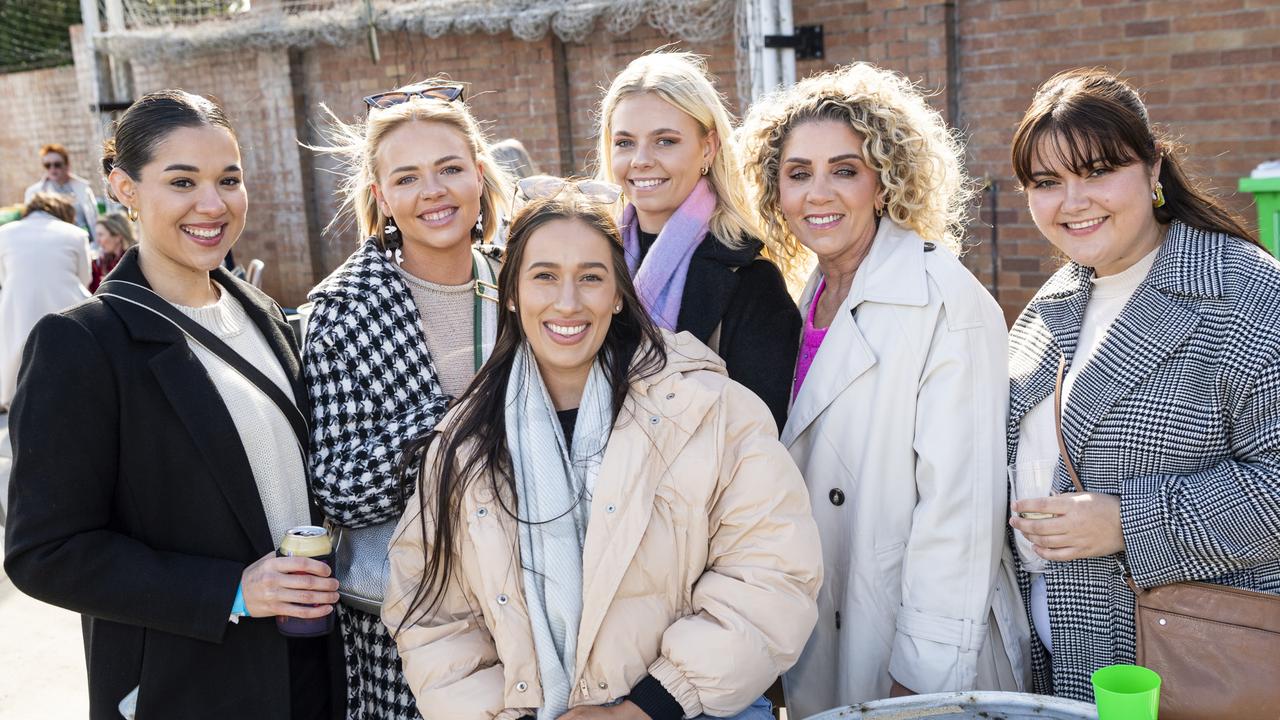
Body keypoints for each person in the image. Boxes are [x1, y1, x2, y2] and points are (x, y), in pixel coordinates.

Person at [382, 186, 821, 720]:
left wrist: (643, 708)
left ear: (618, 293)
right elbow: (432, 618)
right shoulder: (464, 443)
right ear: (512, 293)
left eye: (591, 277)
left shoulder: (712, 412)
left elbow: (772, 574)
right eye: (544, 275)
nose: (568, 302)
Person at [3, 90, 344, 719]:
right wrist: (231, 591)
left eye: (229, 180)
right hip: (186, 685)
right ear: (123, 188)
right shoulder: (81, 343)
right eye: (181, 181)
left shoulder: (262, 314)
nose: (212, 205)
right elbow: (44, 553)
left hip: (308, 666)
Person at [738, 63, 1029, 716]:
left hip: (909, 655)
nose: (820, 193)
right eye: (798, 173)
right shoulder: (802, 295)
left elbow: (959, 516)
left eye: (845, 169)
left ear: (883, 181)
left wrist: (921, 683)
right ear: (774, 190)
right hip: (824, 634)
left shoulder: (946, 301)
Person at [1005, 68, 1280, 701]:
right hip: (1058, 664)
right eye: (1047, 183)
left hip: (1194, 670)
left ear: (1154, 169)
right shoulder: (1051, 304)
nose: (1073, 202)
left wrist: (1131, 523)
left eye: (1098, 171)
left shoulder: (1242, 292)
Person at [304, 79, 511, 720]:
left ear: (479, 175)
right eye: (408, 178)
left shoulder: (524, 280)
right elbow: (337, 488)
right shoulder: (343, 311)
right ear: (382, 197)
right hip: (412, 620)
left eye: (450, 168)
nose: (433, 192)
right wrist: (456, 422)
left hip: (541, 597)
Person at [595, 51, 800, 430]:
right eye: (625, 142)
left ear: (708, 147)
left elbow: (758, 445)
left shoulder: (751, 282)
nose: (640, 160)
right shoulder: (592, 261)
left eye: (665, 141)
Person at [0, 192, 91, 410]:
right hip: (66, 306)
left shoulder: (4, 233)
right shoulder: (76, 234)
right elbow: (84, 278)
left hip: (18, 307)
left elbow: (3, 277)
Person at [25, 142, 100, 242]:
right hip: (52, 243)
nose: (52, 169)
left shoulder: (83, 188)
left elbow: (94, 219)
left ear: (67, 165)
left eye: (57, 164)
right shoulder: (34, 192)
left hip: (82, 241)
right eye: (48, 165)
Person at [90, 210, 137, 292]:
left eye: (101, 235)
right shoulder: (103, 262)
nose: (97, 240)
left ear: (117, 237)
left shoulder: (136, 260)